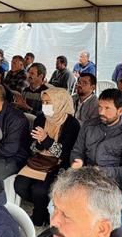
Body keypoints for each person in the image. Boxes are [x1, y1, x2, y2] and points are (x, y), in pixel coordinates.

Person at [14, 87, 81, 226]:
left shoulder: (72, 124)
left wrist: (46, 140)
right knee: (19, 185)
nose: (44, 106)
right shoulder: (40, 118)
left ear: (60, 102)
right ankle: (43, 206)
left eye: (48, 103)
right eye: (43, 102)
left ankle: (39, 214)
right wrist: (39, 143)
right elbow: (33, 147)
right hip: (39, 160)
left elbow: (65, 153)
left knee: (39, 190)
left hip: (59, 164)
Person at [70, 88, 122, 189]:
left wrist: (100, 171)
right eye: (100, 107)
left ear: (120, 111)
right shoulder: (88, 125)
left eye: (107, 108)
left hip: (110, 185)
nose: (101, 112)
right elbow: (77, 151)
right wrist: (77, 161)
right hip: (84, 177)